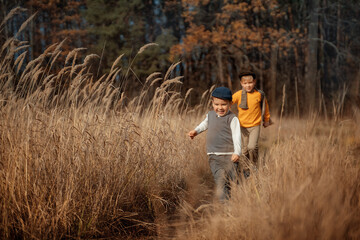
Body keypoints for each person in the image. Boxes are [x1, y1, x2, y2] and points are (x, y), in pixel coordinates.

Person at [188, 87, 241, 201]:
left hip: (229, 156)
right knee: (221, 182)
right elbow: (204, 125)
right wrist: (195, 131)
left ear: (230, 104)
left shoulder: (232, 118)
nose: (220, 108)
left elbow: (237, 136)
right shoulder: (210, 115)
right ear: (212, 103)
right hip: (214, 157)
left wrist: (237, 152)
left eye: (223, 104)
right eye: (217, 104)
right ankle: (225, 206)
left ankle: (245, 176)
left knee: (234, 180)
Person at [232, 71, 271, 175]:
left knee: (252, 147)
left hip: (255, 125)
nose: (247, 85)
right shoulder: (238, 95)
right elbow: (228, 103)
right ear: (241, 84)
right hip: (242, 126)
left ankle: (254, 164)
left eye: (250, 83)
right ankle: (246, 169)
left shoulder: (259, 94)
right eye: (245, 83)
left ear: (254, 82)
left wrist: (266, 120)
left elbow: (265, 107)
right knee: (244, 150)